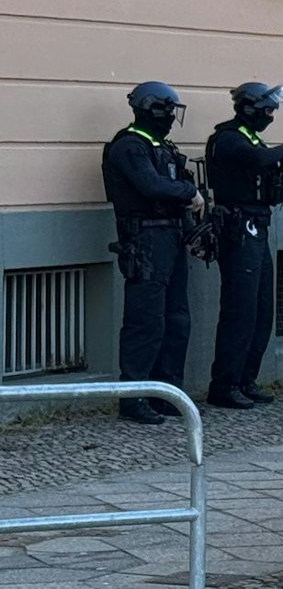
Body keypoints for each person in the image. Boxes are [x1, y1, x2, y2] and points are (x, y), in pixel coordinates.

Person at [102, 83, 205, 424]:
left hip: (169, 236)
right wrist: (189, 192)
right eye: (169, 110)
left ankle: (166, 393)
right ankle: (133, 397)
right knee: (145, 321)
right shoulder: (130, 145)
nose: (173, 117)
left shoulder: (160, 145)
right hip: (145, 238)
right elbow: (150, 186)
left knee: (176, 320)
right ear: (154, 109)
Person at [204, 83, 283, 410]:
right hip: (238, 227)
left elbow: (264, 165)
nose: (271, 116)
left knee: (261, 308)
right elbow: (257, 158)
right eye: (267, 109)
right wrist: (282, 152)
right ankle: (225, 384)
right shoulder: (229, 137)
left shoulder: (251, 136)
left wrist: (282, 176)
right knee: (240, 309)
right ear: (249, 108)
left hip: (257, 224)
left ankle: (246, 378)